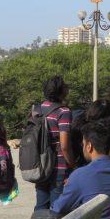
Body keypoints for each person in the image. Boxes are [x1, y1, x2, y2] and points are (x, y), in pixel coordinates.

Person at [33, 76, 76, 210]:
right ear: (61, 91)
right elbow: (64, 146)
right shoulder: (63, 111)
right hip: (59, 168)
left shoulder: (37, 109)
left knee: (40, 207)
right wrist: (73, 166)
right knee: (56, 210)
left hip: (40, 165)